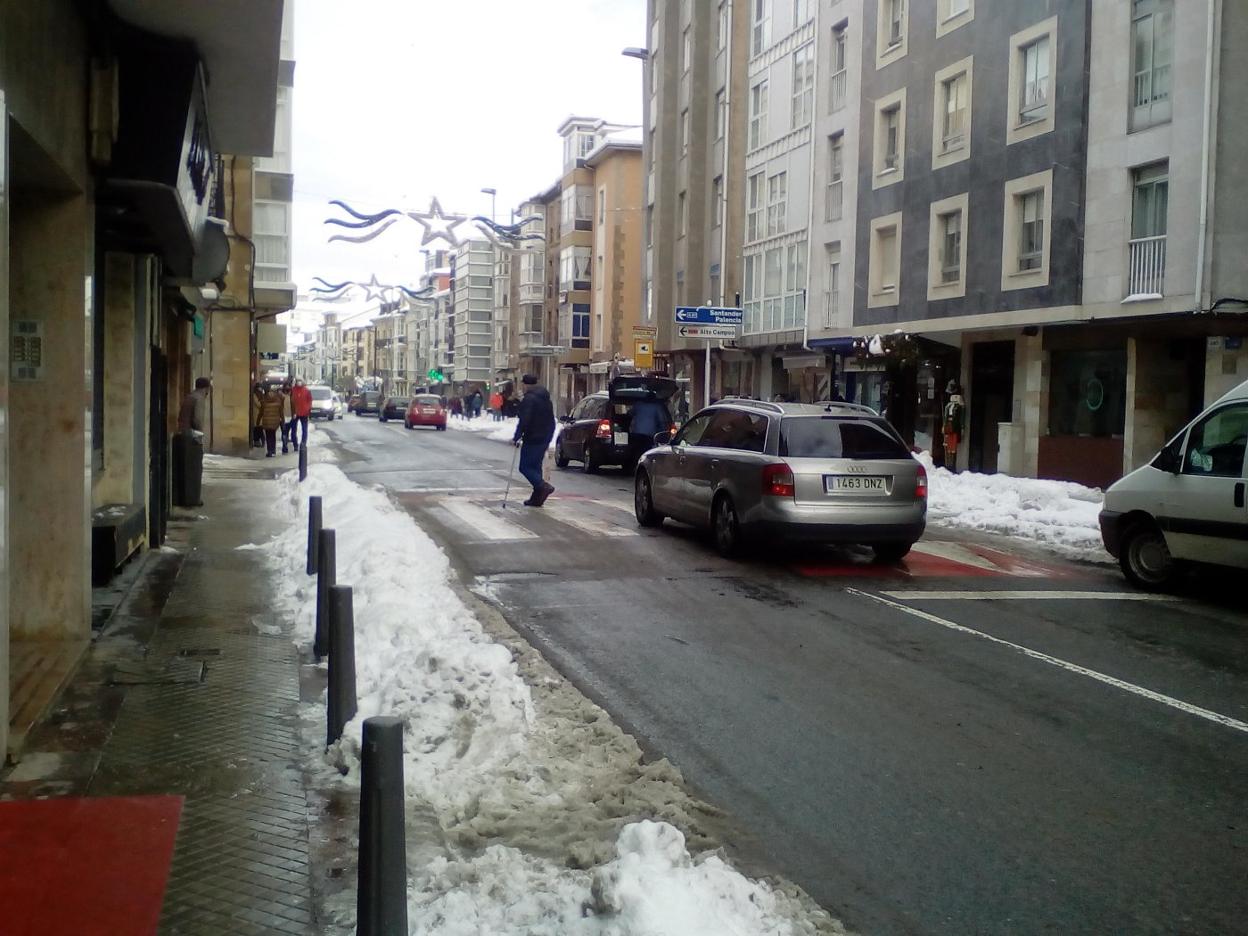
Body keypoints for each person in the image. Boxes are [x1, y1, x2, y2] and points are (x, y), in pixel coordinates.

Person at [512, 374, 556, 506]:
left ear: (525, 384)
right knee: (535, 467)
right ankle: (537, 498)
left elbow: (525, 419)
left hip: (533, 437)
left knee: (525, 467)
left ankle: (542, 486)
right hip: (545, 436)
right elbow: (551, 418)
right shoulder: (545, 398)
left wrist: (517, 436)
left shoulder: (529, 399)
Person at [628, 394, 668, 466]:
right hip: (649, 434)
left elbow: (629, 414)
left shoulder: (638, 405)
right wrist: (663, 432)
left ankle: (635, 465)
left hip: (637, 433)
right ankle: (645, 465)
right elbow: (662, 420)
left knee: (637, 450)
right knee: (647, 452)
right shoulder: (657, 406)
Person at [942, 381, 965, 472]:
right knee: (948, 445)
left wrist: (962, 427)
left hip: (955, 427)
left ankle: (953, 465)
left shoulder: (959, 406)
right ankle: (948, 464)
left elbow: (961, 417)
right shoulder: (948, 406)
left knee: (953, 446)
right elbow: (946, 415)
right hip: (949, 425)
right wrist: (944, 425)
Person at [258, 385, 286, 457]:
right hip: (274, 423)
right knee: (273, 436)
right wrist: (282, 420)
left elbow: (261, 412)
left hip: (267, 422)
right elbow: (281, 413)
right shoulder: (278, 402)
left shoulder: (264, 402)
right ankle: (273, 450)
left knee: (268, 436)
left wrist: (258, 421)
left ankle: (269, 451)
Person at [290, 378, 312, 449]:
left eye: (300, 381)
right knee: (293, 430)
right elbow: (291, 401)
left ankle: (303, 444)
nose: (299, 382)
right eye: (297, 381)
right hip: (295, 413)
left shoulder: (306, 391)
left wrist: (308, 410)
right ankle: (295, 445)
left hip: (304, 413)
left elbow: (310, 401)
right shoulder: (293, 390)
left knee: (304, 430)